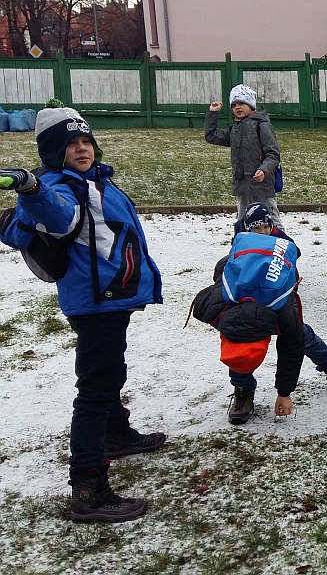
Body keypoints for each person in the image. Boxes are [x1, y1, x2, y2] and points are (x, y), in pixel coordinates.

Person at [0, 101, 165, 523]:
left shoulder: (94, 181)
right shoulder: (58, 188)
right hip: (96, 301)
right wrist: (31, 189)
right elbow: (58, 217)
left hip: (111, 296)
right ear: (53, 152)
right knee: (95, 388)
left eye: (85, 140)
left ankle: (115, 433)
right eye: (70, 144)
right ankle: (88, 486)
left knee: (111, 371)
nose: (81, 149)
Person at [191, 228, 306, 425]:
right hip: (234, 264)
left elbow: (292, 348)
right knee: (240, 352)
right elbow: (219, 274)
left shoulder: (282, 310)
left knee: (301, 336)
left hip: (277, 272)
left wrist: (284, 393)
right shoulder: (213, 307)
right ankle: (243, 390)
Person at [239, 202, 327, 396]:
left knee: (300, 335)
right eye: (257, 227)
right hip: (251, 306)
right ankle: (243, 388)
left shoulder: (280, 242)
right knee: (239, 342)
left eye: (266, 226)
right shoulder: (242, 243)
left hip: (281, 300)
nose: (263, 231)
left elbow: (293, 256)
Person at [205, 84, 284, 230]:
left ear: (251, 104)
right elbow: (211, 136)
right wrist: (213, 113)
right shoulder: (235, 129)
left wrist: (264, 170)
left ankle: (281, 247)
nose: (237, 107)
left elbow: (273, 154)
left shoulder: (262, 125)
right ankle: (241, 247)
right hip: (242, 183)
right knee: (243, 220)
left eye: (241, 103)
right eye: (234, 105)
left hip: (262, 185)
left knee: (270, 219)